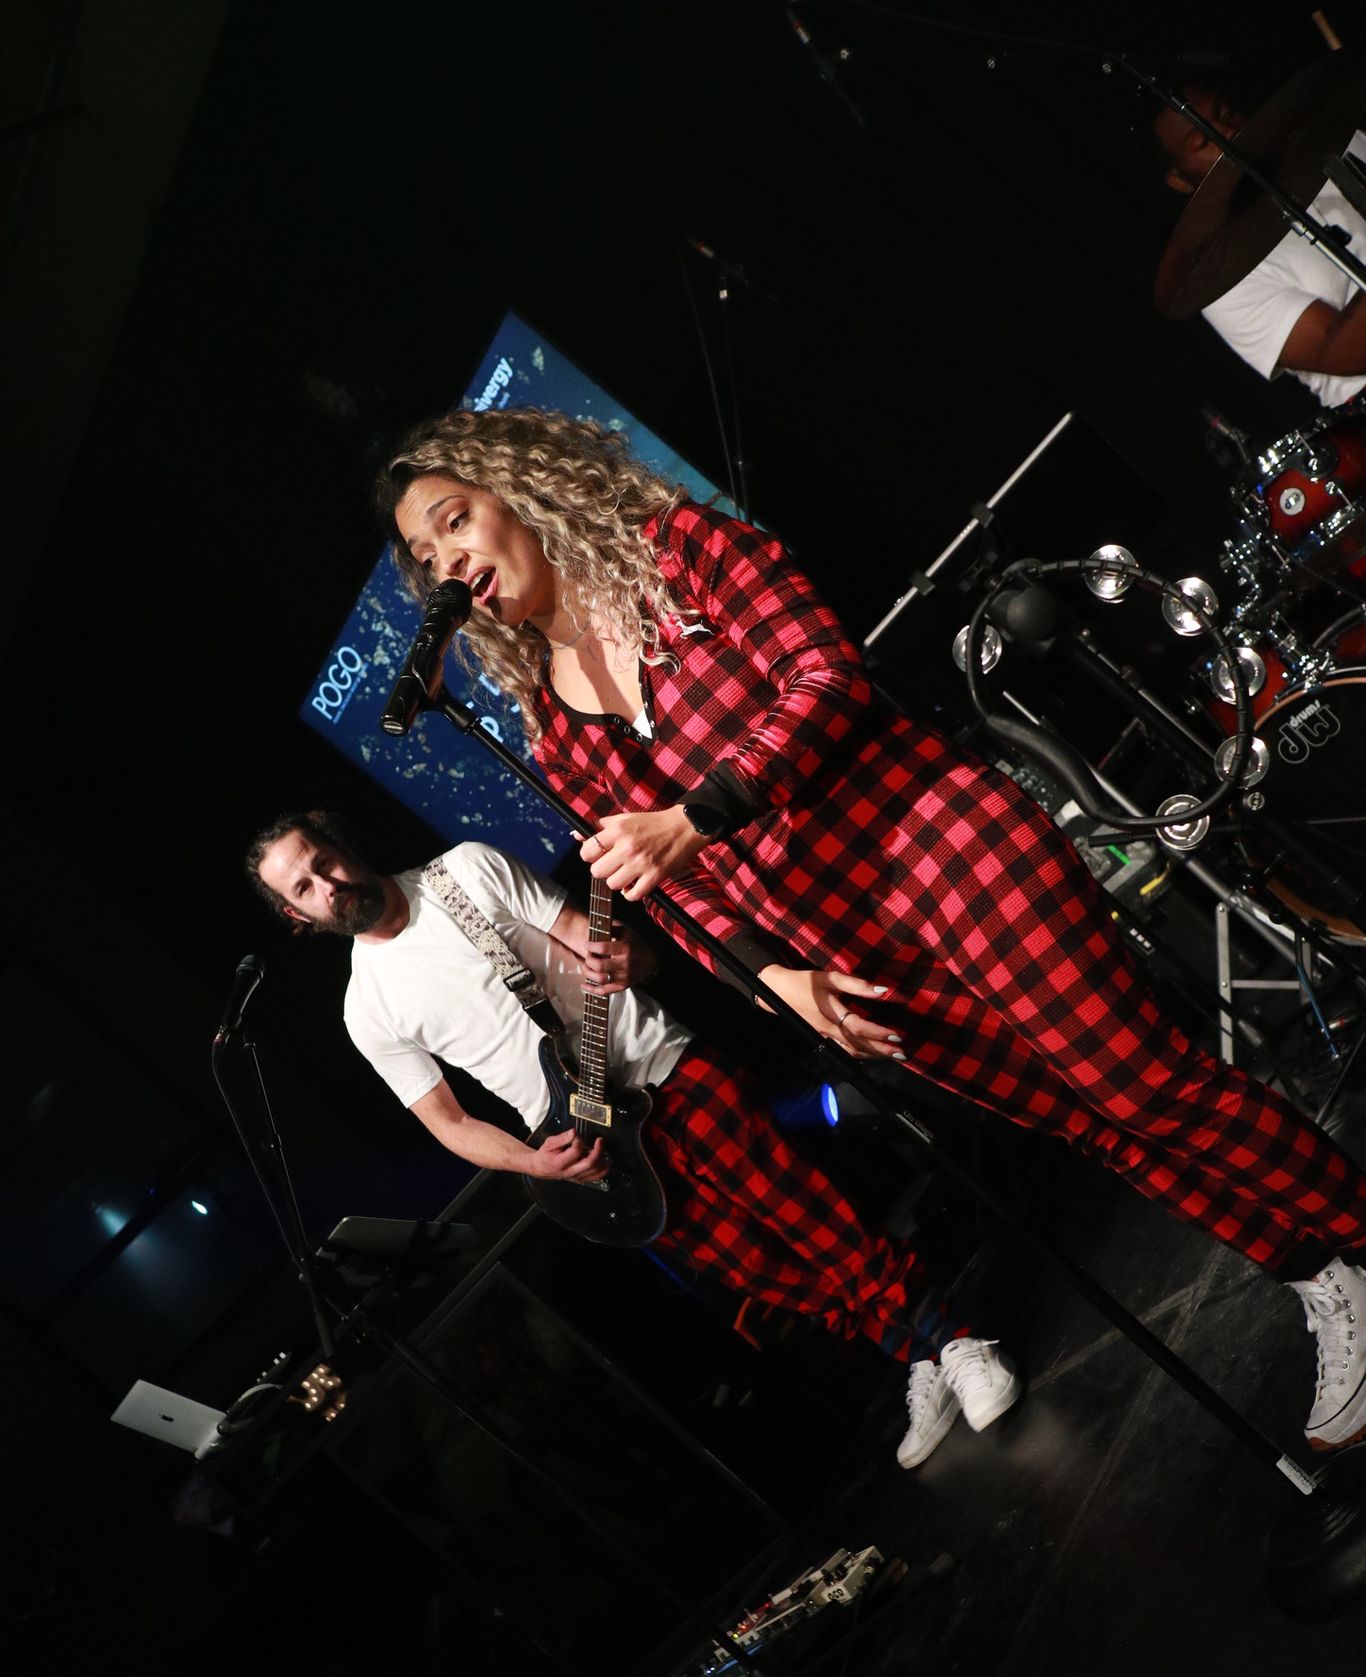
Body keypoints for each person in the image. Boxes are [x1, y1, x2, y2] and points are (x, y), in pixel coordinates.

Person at [372, 406, 1366, 1452]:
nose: (448, 562)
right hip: (851, 954)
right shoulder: (556, 734)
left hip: (938, 842)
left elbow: (826, 673)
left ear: (520, 491)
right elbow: (676, 894)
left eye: (455, 521)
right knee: (1094, 1127)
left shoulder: (679, 549)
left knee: (1138, 1082)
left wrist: (700, 812)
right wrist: (778, 983)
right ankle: (1319, 1277)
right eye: (425, 557)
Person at [245, 810, 1020, 1469]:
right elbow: (447, 1123)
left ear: (343, 845)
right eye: (303, 887)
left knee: (806, 1213)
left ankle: (955, 1342)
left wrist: (624, 959)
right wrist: (533, 1160)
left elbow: (621, 950)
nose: (327, 884)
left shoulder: (463, 872)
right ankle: (919, 1352)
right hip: (593, 1150)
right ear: (296, 916)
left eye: (322, 860)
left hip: (660, 1071)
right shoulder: (366, 1009)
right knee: (759, 1270)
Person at [1154, 83, 1366, 408]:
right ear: (1179, 179)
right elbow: (1346, 353)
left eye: (1226, 115)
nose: (1229, 133)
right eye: (1203, 141)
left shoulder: (1336, 143)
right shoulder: (1219, 282)